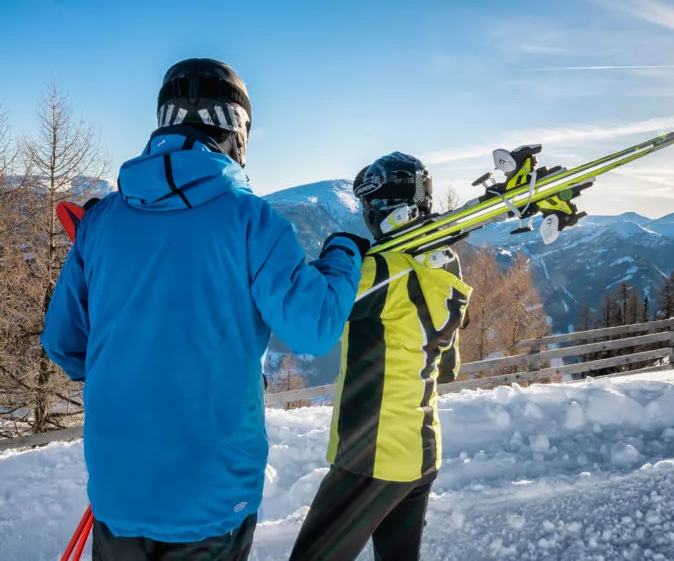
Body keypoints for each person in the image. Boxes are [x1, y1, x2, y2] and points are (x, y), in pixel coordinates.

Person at [42, 58, 367, 561]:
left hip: (119, 489)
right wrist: (343, 254)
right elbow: (315, 325)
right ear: (236, 132)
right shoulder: (251, 220)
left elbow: (65, 345)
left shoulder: (101, 221)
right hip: (212, 494)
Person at [289, 152, 472, 561]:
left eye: (369, 207)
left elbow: (310, 309)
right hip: (422, 453)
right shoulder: (447, 274)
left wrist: (339, 249)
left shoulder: (382, 273)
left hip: (371, 458)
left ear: (382, 208)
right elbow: (447, 367)